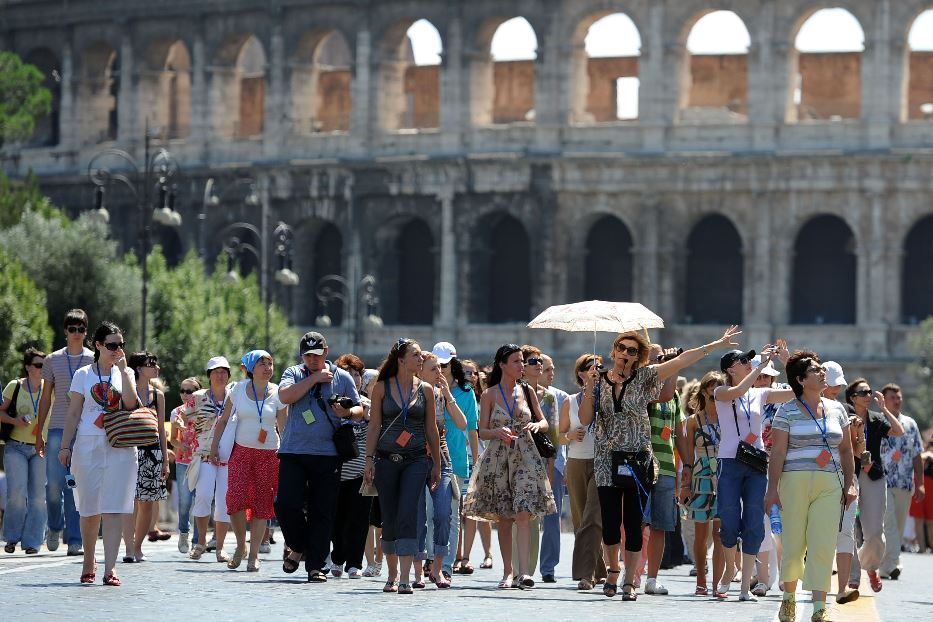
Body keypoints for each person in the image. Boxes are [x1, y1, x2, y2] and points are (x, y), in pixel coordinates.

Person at [578, 327, 741, 601]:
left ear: (638, 356)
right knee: (609, 522)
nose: (625, 354)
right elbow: (584, 419)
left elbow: (682, 361)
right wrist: (590, 387)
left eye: (632, 351)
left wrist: (716, 344)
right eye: (621, 348)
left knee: (633, 521)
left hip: (637, 458)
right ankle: (612, 570)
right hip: (606, 458)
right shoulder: (599, 380)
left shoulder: (644, 377)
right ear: (614, 351)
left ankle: (629, 580)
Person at [765, 351, 857, 622]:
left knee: (823, 544)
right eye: (815, 370)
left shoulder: (837, 409)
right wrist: (772, 489)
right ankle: (789, 600)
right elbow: (778, 453)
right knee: (794, 543)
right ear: (801, 380)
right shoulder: (787, 410)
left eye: (821, 369)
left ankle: (819, 608)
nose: (822, 372)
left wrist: (850, 484)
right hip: (794, 481)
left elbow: (847, 451)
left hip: (830, 482)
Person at [462, 343, 555, 590]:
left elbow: (543, 420)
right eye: (516, 361)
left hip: (525, 456)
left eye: (522, 361)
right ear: (502, 365)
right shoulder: (489, 394)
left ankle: (524, 572)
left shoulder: (528, 390)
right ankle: (508, 571)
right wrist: (497, 431)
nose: (522, 365)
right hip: (499, 458)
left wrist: (537, 426)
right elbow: (481, 431)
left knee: (523, 513)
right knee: (505, 518)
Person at [275, 332, 362, 582]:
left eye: (317, 354)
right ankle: (300, 546)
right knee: (285, 504)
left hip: (328, 454)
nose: (313, 359)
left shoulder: (342, 376)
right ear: (303, 356)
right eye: (308, 356)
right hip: (294, 450)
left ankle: (316, 567)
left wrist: (347, 410)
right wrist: (313, 379)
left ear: (326, 352)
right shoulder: (294, 373)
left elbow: (358, 410)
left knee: (322, 511)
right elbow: (285, 397)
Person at [59, 321, 139, 586]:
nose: (117, 350)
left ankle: (111, 568)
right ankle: (88, 560)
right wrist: (65, 446)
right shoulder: (83, 374)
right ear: (99, 346)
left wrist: (126, 372)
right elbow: (73, 413)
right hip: (88, 444)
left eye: (121, 346)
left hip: (120, 445)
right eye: (112, 345)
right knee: (89, 507)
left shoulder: (125, 373)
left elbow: (130, 404)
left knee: (115, 506)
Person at [712, 343, 794, 601]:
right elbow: (738, 390)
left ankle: (746, 586)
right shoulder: (721, 391)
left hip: (756, 462)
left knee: (755, 522)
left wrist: (787, 361)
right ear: (729, 368)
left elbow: (796, 392)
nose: (749, 363)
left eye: (750, 361)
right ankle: (729, 570)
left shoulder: (760, 394)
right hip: (729, 460)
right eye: (743, 361)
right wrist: (759, 365)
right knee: (728, 519)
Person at [363, 339, 441, 594]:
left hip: (416, 460)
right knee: (390, 516)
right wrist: (368, 459)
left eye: (420, 356)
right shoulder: (381, 388)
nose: (420, 360)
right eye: (416, 355)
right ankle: (392, 573)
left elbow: (431, 429)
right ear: (401, 360)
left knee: (409, 512)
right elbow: (374, 426)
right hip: (386, 459)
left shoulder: (426, 390)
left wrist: (437, 464)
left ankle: (405, 577)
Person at [209, 350, 286, 572]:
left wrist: (288, 455)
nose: (268, 368)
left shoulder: (279, 392)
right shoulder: (238, 389)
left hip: (269, 454)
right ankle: (240, 546)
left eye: (270, 363)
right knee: (234, 500)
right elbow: (223, 421)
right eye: (262, 363)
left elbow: (284, 427)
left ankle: (253, 555)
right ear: (251, 368)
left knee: (263, 503)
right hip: (241, 452)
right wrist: (214, 447)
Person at [35, 309, 94, 556]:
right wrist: (39, 432)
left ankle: (74, 540)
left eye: (81, 328)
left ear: (86, 331)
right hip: (58, 427)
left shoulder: (94, 359)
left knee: (75, 486)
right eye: (72, 328)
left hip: (84, 429)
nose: (77, 333)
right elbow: (46, 397)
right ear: (65, 331)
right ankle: (54, 527)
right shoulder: (51, 360)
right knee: (53, 485)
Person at [842, 376, 904, 594]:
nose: (868, 396)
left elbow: (899, 431)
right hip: (850, 474)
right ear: (852, 398)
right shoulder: (844, 417)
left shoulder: (877, 419)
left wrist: (885, 409)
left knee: (875, 532)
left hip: (873, 476)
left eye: (870, 392)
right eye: (863, 393)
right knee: (848, 529)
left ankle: (870, 566)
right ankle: (854, 576)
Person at [418, 352, 466, 588]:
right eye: (433, 369)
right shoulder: (411, 393)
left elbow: (462, 423)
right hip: (416, 457)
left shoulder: (440, 394)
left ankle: (438, 567)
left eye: (440, 368)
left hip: (442, 457)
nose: (439, 372)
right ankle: (418, 569)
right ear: (419, 371)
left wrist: (447, 395)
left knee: (444, 513)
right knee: (417, 516)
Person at [559, 354, 606, 591]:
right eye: (591, 368)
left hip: (601, 462)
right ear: (581, 373)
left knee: (592, 517)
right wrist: (568, 437)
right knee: (580, 519)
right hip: (576, 461)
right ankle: (599, 569)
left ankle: (584, 574)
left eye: (600, 367)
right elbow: (560, 434)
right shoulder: (570, 400)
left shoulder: (608, 397)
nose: (597, 370)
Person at [643, 343, 686, 596]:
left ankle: (651, 578)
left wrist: (687, 465)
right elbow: (664, 393)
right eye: (654, 358)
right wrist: (674, 366)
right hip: (641, 462)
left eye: (661, 357)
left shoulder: (675, 395)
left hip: (666, 464)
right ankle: (630, 572)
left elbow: (679, 432)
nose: (659, 361)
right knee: (638, 522)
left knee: (660, 524)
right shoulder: (638, 386)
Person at [432, 342, 478, 580]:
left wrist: (477, 461)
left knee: (450, 514)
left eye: (445, 364)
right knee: (429, 513)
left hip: (457, 459)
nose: (441, 369)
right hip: (428, 457)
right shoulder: (424, 387)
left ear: (453, 363)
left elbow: (471, 428)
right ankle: (430, 559)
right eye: (437, 364)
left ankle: (447, 564)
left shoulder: (466, 392)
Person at [679, 371, 726, 596]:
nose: (715, 392)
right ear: (704, 390)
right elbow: (688, 459)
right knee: (701, 534)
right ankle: (701, 579)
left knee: (719, 533)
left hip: (725, 475)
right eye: (712, 387)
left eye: (720, 387)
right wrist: (685, 485)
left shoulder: (730, 417)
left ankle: (717, 584)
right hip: (701, 476)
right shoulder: (692, 421)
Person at [1, 347, 49, 554]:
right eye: (39, 365)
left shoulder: (50, 387)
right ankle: (11, 537)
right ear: (28, 367)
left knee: (38, 497)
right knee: (17, 494)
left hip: (40, 449)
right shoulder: (15, 386)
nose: (42, 369)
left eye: (44, 366)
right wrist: (15, 421)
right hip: (15, 447)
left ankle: (32, 542)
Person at [329, 353, 372, 579]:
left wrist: (366, 414)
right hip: (336, 471)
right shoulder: (331, 402)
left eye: (357, 374)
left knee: (359, 519)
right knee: (337, 518)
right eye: (350, 374)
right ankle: (337, 558)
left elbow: (376, 429)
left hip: (360, 470)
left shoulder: (366, 404)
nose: (354, 378)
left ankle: (354, 563)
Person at [188, 357, 233, 562]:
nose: (220, 375)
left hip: (227, 456)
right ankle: (201, 541)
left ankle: (220, 547)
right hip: (204, 454)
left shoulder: (235, 397)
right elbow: (183, 420)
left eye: (224, 371)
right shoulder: (197, 397)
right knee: (203, 496)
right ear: (208, 375)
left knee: (224, 502)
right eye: (215, 371)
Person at [879, 384, 926, 580]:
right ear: (884, 400)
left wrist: (920, 483)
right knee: (888, 524)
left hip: (905, 483)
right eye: (893, 398)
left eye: (899, 398)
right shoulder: (879, 422)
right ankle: (894, 564)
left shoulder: (910, 424)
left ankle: (885, 566)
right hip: (883, 481)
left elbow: (917, 455)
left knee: (897, 525)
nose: (897, 401)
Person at [126, 352, 168, 562]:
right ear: (139, 368)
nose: (156, 367)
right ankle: (127, 546)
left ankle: (137, 546)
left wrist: (165, 462)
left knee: (147, 503)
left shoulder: (157, 396)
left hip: (152, 453)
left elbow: (161, 429)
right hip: (129, 451)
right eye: (152, 364)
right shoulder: (127, 391)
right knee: (129, 500)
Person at [535, 352, 569, 584]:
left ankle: (548, 567)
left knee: (551, 517)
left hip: (553, 462)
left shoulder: (560, 397)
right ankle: (521, 566)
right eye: (547, 369)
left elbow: (559, 436)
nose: (551, 373)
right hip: (526, 461)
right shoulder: (520, 394)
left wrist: (560, 463)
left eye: (552, 368)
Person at [457, 357, 493, 573]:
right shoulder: (457, 397)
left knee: (477, 510)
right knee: (462, 511)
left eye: (473, 372)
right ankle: (460, 554)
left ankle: (483, 554)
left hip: (479, 457)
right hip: (460, 456)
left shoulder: (483, 400)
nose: (470, 376)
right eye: (466, 372)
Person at [169, 376, 202, 554]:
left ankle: (198, 540)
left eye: (189, 391)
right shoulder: (176, 412)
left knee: (200, 500)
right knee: (184, 502)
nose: (184, 394)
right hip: (183, 462)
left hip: (201, 460)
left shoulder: (204, 409)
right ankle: (183, 532)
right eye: (182, 390)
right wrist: (181, 444)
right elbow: (173, 439)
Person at [910, 436, 933, 553]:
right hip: (921, 484)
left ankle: (931, 547)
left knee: (930, 521)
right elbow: (918, 457)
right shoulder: (926, 451)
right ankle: (922, 548)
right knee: (918, 519)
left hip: (931, 487)